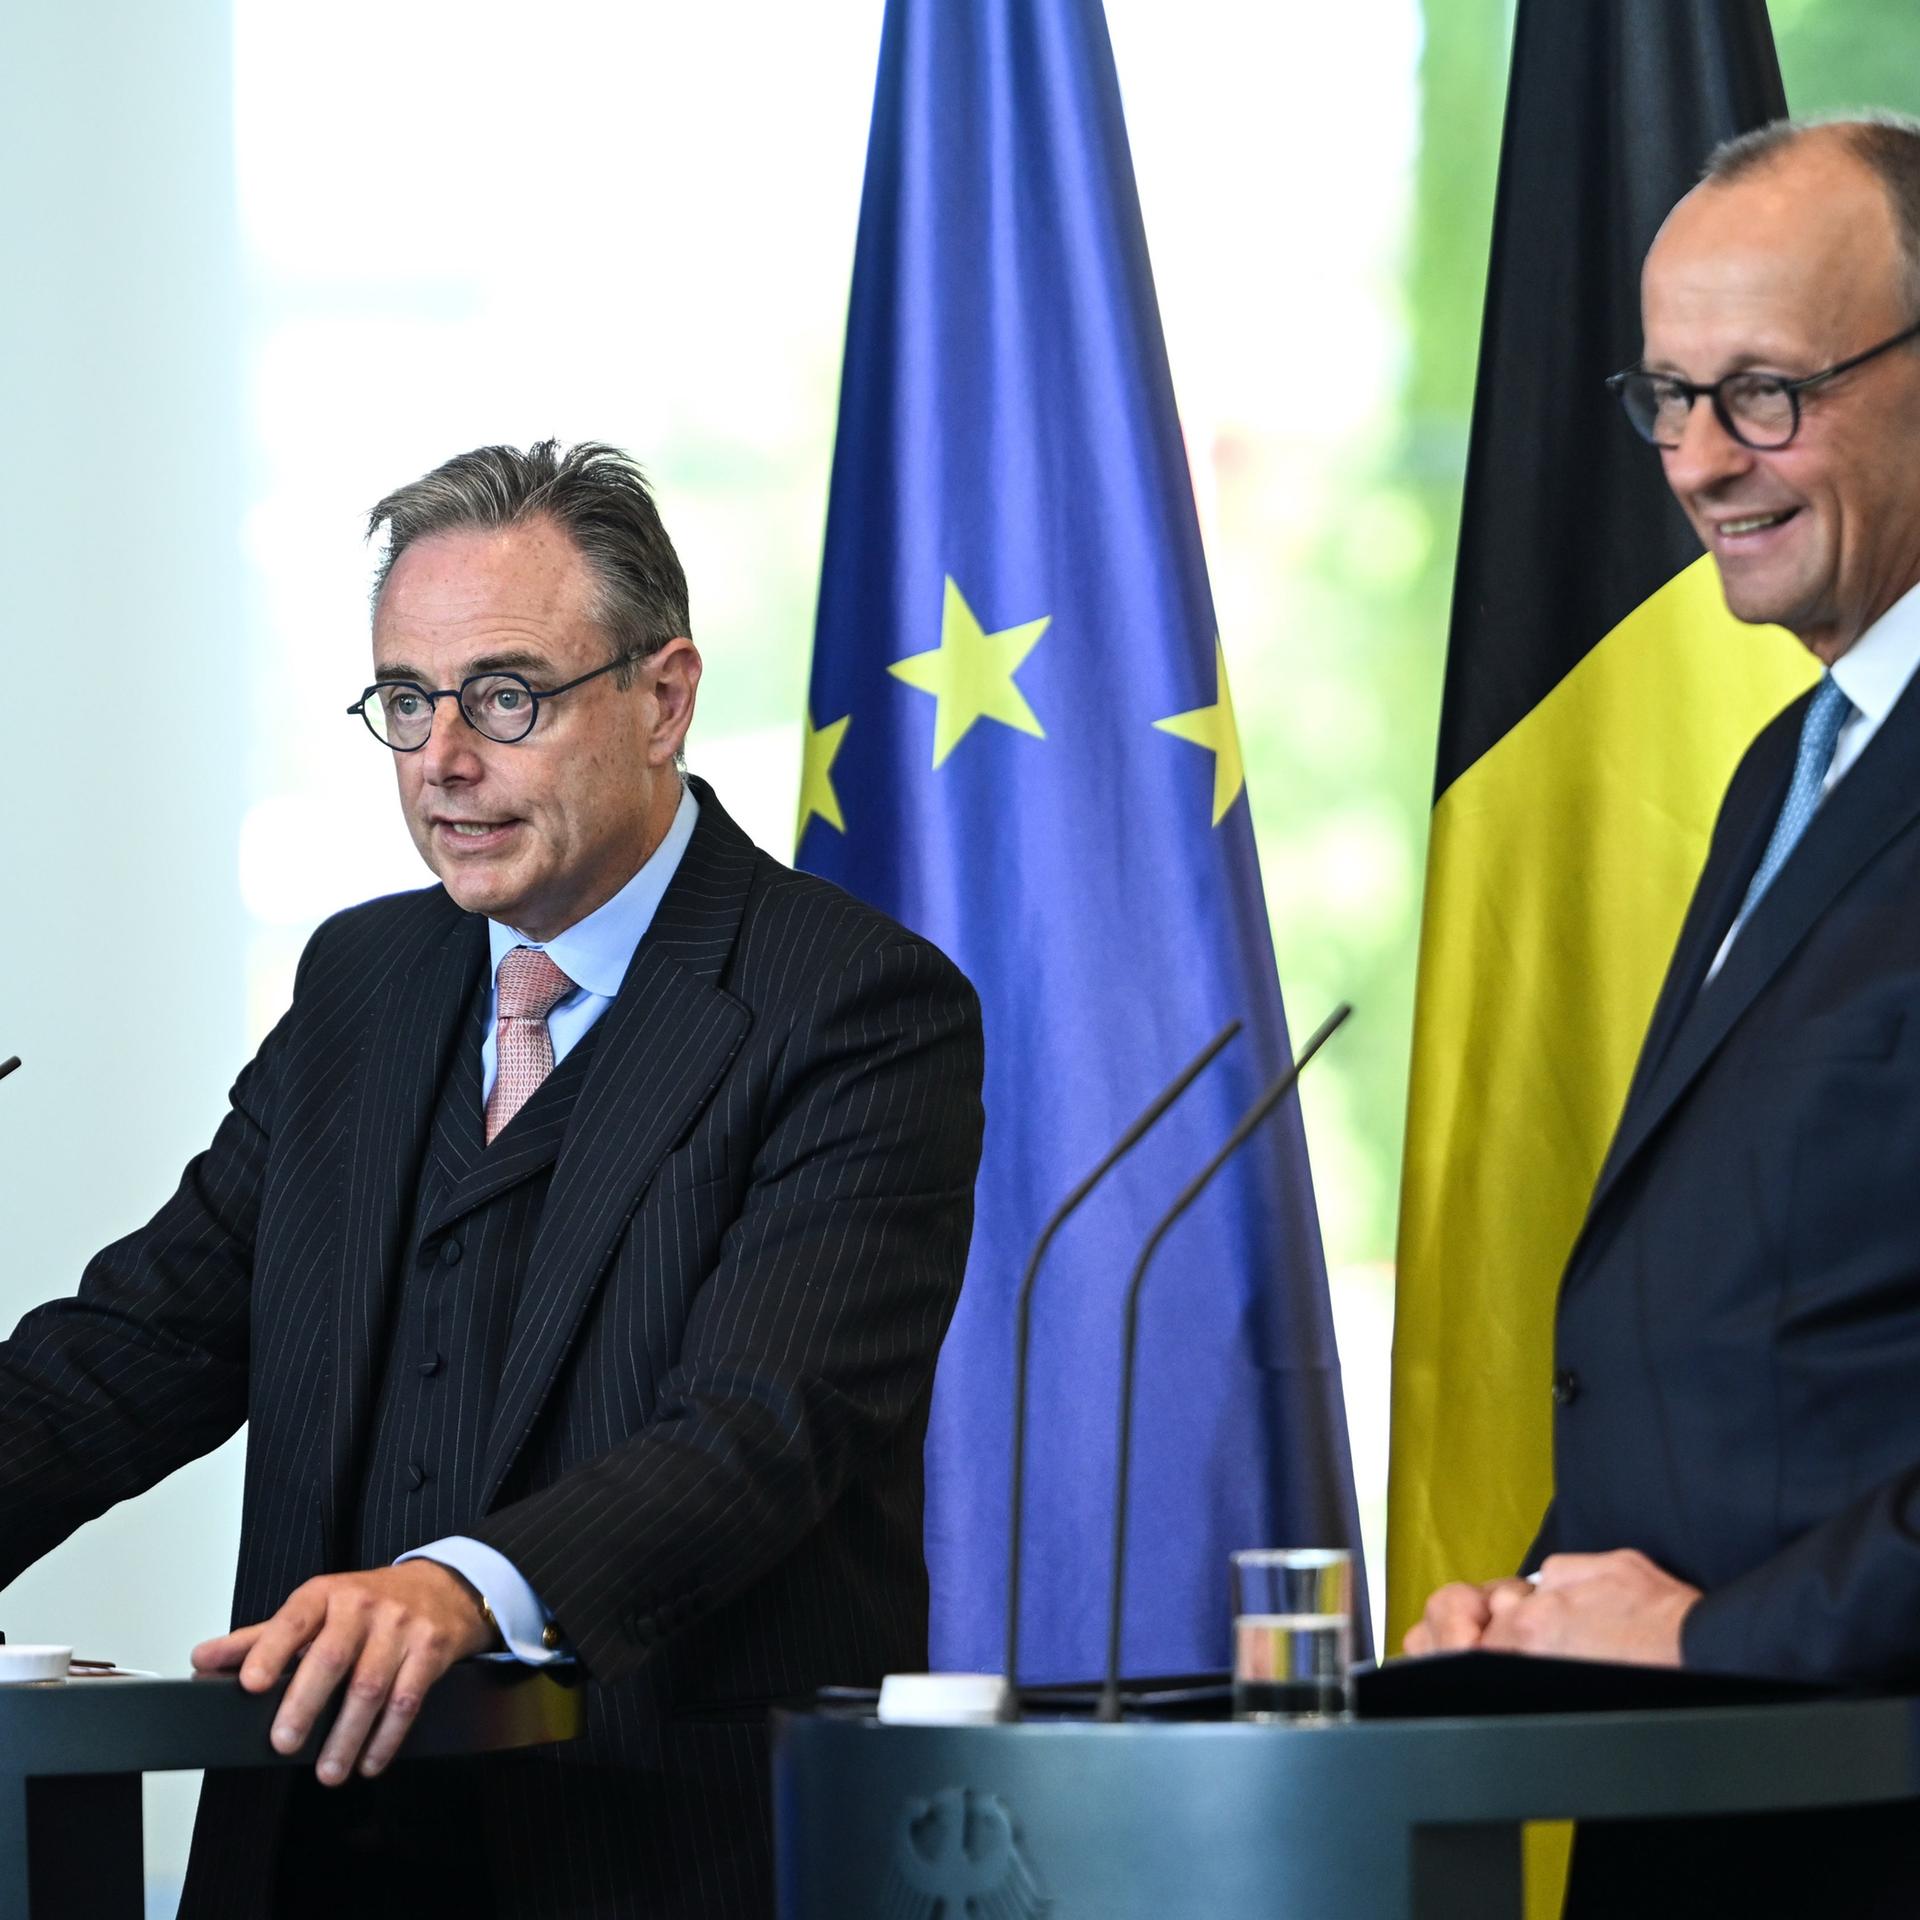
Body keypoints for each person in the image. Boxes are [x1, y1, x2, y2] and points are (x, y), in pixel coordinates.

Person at [0, 440, 986, 1918]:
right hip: (311, 1846)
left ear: (663, 698)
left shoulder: (853, 1006)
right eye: (406, 701)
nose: (443, 761)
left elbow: (759, 1431)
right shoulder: (364, 980)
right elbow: (147, 1341)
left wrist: (463, 1587)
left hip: (656, 1856)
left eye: (506, 697)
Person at [1406, 116, 1920, 1909]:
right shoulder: (1799, 756)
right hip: (1700, 1799)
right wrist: (1554, 1614)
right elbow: (1760, 1326)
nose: (1700, 464)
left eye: (1766, 394)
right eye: (1669, 396)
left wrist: (1721, 1639)